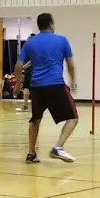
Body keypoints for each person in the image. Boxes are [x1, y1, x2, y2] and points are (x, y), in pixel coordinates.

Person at [12, 14, 77, 163]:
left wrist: (17, 84)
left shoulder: (30, 43)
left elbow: (18, 65)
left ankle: (31, 153)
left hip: (37, 87)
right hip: (56, 85)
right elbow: (71, 66)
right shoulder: (62, 40)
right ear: (51, 24)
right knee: (73, 118)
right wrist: (73, 82)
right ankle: (58, 147)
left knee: (35, 119)